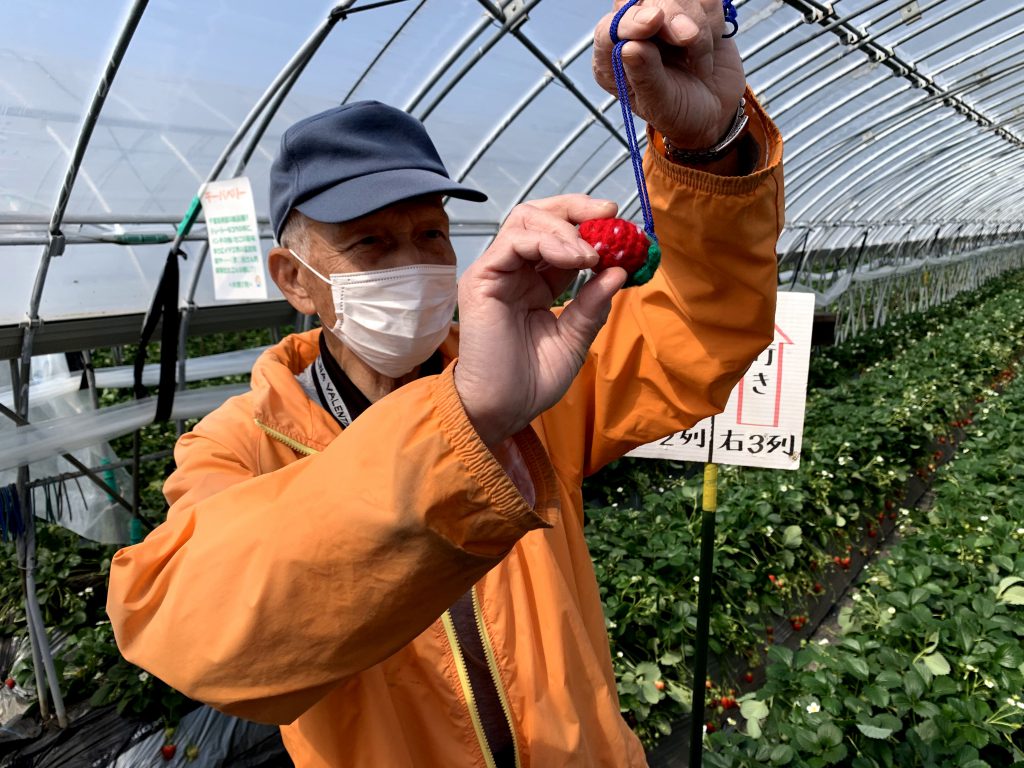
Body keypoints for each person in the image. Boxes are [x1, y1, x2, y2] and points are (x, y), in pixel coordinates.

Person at [107, 1, 783, 765]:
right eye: (371, 242)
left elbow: (695, 335)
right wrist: (461, 423)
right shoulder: (246, 439)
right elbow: (196, 629)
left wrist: (709, 151)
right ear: (296, 280)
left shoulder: (530, 382)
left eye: (430, 233)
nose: (414, 264)